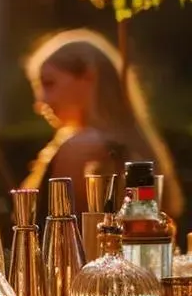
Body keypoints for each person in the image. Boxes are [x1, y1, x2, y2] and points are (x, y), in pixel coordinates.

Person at [23, 28, 184, 218]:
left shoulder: (81, 147)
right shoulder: (138, 145)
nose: (40, 101)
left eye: (49, 83)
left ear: (88, 77)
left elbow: (73, 235)